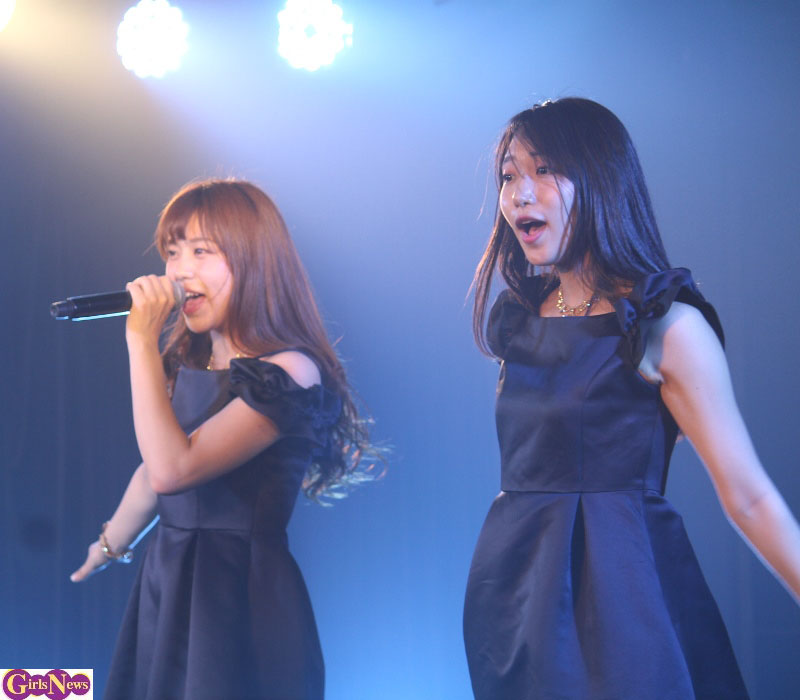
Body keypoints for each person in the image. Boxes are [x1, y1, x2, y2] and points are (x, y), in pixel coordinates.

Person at [463, 97, 800, 699]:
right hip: (515, 595)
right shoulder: (521, 320)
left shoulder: (664, 325)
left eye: (545, 170)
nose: (519, 194)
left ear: (601, 178)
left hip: (622, 599)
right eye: (510, 176)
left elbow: (748, 495)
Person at [70, 178, 376, 700]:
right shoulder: (190, 363)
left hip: (238, 597)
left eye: (201, 251)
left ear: (254, 259)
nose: (178, 271)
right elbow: (150, 476)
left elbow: (173, 469)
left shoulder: (290, 371)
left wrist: (140, 341)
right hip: (168, 583)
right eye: (172, 253)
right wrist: (108, 546)